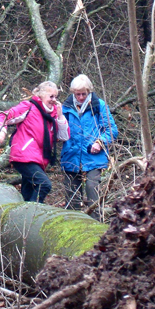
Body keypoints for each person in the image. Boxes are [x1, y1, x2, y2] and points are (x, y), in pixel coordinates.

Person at [0, 81, 69, 203]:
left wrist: (60, 116)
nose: (54, 100)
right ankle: (33, 212)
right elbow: (4, 115)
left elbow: (64, 136)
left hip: (39, 160)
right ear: (41, 96)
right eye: (51, 96)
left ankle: (24, 215)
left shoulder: (53, 115)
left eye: (56, 97)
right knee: (44, 184)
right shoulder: (28, 107)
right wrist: (1, 131)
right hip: (24, 157)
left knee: (28, 193)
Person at [60, 74, 118, 218]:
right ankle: (72, 225)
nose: (80, 97)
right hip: (71, 154)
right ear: (73, 93)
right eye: (77, 94)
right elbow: (59, 130)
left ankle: (95, 222)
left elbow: (112, 130)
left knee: (92, 187)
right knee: (71, 192)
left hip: (94, 156)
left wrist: (100, 142)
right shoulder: (65, 107)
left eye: (84, 94)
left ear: (89, 92)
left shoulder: (99, 105)